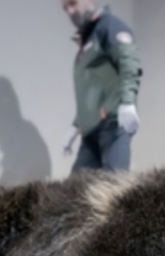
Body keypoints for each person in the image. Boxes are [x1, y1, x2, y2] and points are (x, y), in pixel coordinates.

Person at [61, 0, 142, 173]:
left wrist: (128, 101)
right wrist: (77, 124)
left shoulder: (109, 26)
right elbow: (92, 89)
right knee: (74, 193)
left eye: (72, 3)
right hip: (91, 131)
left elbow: (129, 61)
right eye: (65, 8)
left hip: (112, 124)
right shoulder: (87, 42)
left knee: (113, 187)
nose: (69, 11)